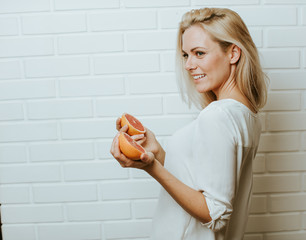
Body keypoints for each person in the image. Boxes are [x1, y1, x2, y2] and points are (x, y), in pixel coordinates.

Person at [110, 7, 268, 240]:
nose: (188, 65)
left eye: (199, 53)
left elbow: (216, 214)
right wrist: (159, 153)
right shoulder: (247, 115)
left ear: (233, 53)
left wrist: (152, 168)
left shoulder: (216, 116)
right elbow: (203, 183)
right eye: (186, 55)